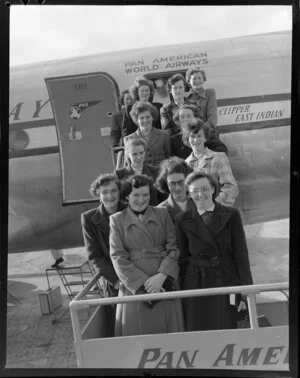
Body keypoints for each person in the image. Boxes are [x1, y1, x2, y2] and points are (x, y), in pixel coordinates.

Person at [175, 171, 253, 332]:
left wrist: (246, 288)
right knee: (199, 327)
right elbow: (182, 257)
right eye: (195, 191)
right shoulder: (182, 219)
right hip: (196, 282)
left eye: (204, 189)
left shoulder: (231, 215)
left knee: (226, 326)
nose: (200, 194)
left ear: (213, 189)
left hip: (225, 278)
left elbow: (241, 254)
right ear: (189, 194)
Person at [109, 174, 184, 336]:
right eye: (136, 195)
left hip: (164, 282)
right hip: (136, 287)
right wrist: (143, 286)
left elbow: (174, 247)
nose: (141, 199)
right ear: (127, 196)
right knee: (138, 334)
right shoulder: (117, 220)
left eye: (145, 195)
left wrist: (163, 275)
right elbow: (118, 257)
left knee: (170, 336)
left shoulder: (162, 214)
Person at [81, 174, 127, 297]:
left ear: (119, 192)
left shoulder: (130, 211)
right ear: (98, 195)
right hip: (115, 282)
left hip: (137, 275)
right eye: (104, 192)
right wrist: (116, 280)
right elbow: (95, 255)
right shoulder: (89, 218)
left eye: (114, 191)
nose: (110, 196)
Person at [184, 120, 238, 207]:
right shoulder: (185, 164)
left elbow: (231, 187)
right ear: (187, 139)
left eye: (199, 136)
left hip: (219, 211)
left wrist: (213, 205)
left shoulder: (219, 157)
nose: (196, 140)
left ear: (205, 138)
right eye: (192, 136)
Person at [124, 102, 171, 167]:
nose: (145, 120)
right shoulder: (129, 139)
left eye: (148, 117)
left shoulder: (164, 135)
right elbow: (128, 164)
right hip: (141, 174)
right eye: (141, 118)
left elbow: (169, 158)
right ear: (137, 120)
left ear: (152, 118)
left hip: (161, 173)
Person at [114, 138, 160, 205]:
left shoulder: (156, 171)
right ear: (128, 155)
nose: (139, 157)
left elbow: (162, 196)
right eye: (134, 154)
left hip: (152, 211)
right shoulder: (119, 174)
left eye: (141, 153)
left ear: (145, 152)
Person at [156, 157, 195, 223]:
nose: (177, 188)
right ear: (166, 184)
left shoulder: (199, 203)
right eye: (172, 183)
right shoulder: (159, 211)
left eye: (181, 182)